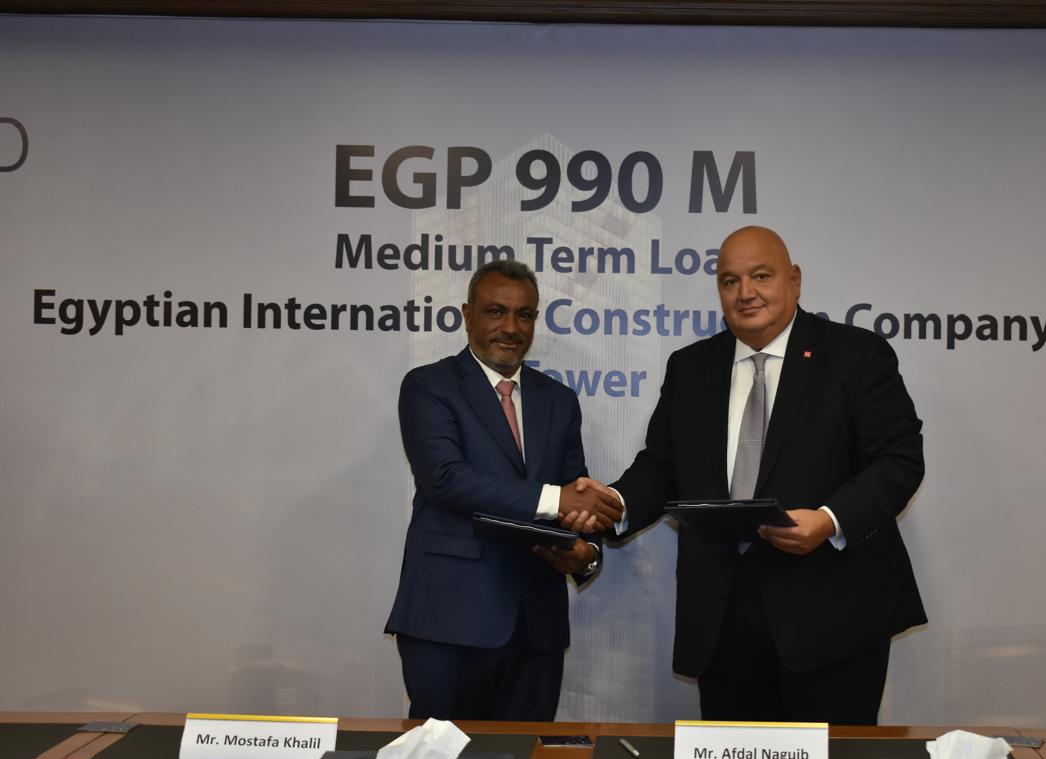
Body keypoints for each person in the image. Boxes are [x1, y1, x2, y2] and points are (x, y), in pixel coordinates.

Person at [567, 226, 925, 724]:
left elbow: (898, 460)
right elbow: (662, 467)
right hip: (723, 620)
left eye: (761, 276)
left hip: (832, 616)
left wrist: (828, 520)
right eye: (730, 281)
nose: (745, 293)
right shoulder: (691, 367)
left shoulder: (856, 356)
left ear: (794, 281)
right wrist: (614, 503)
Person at [386, 259, 622, 721]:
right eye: (496, 311)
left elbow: (575, 496)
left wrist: (586, 555)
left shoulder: (558, 400)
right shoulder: (428, 386)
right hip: (448, 623)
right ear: (467, 315)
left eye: (524, 315)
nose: (511, 328)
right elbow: (445, 479)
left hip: (536, 629)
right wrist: (556, 499)